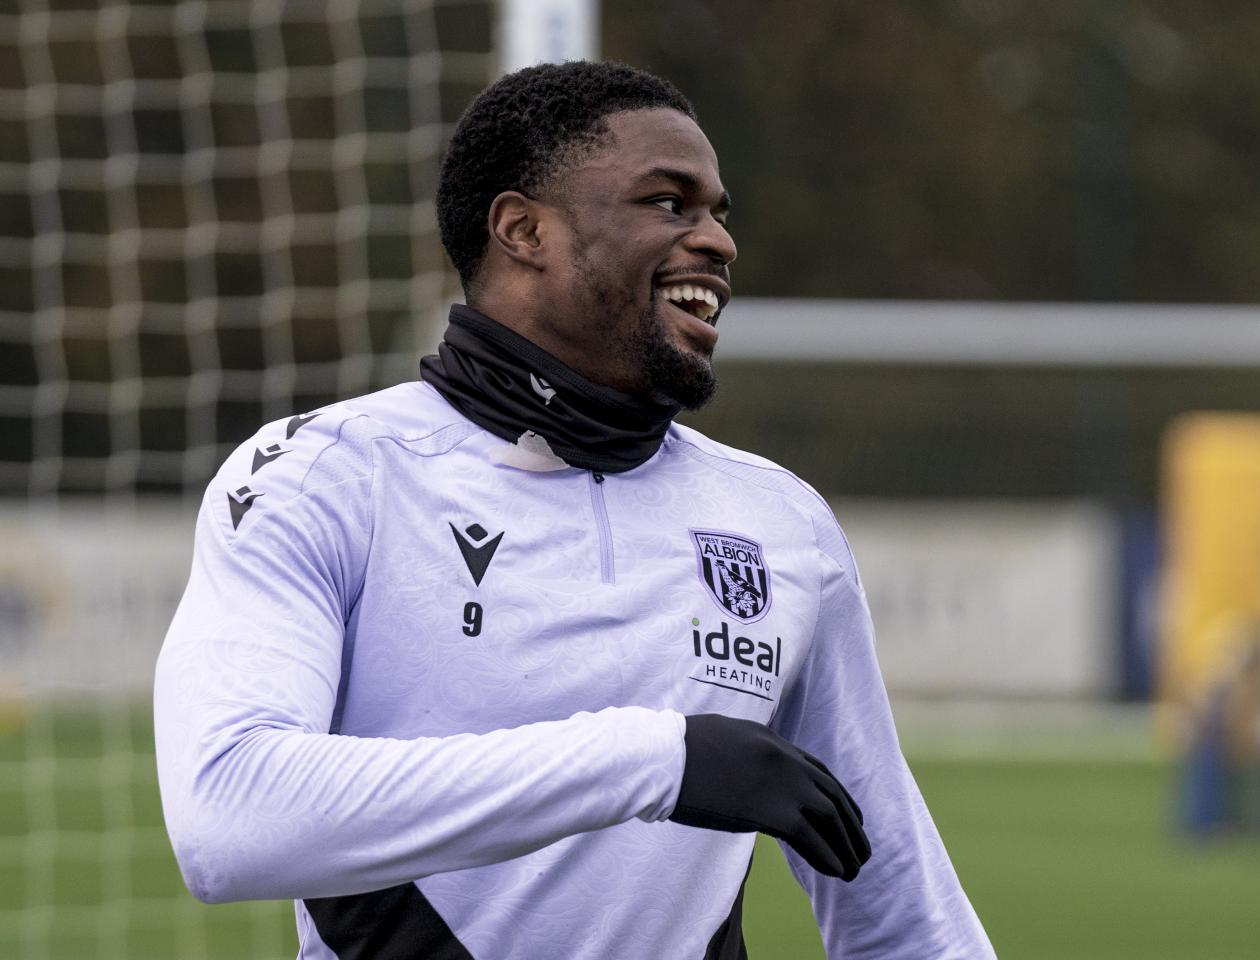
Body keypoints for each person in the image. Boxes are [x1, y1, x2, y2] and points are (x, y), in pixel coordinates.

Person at [154, 60, 995, 959]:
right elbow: (228, 819)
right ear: (524, 230)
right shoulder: (326, 476)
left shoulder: (780, 521)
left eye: (719, 213)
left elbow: (898, 905)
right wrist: (656, 762)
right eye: (669, 203)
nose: (718, 241)